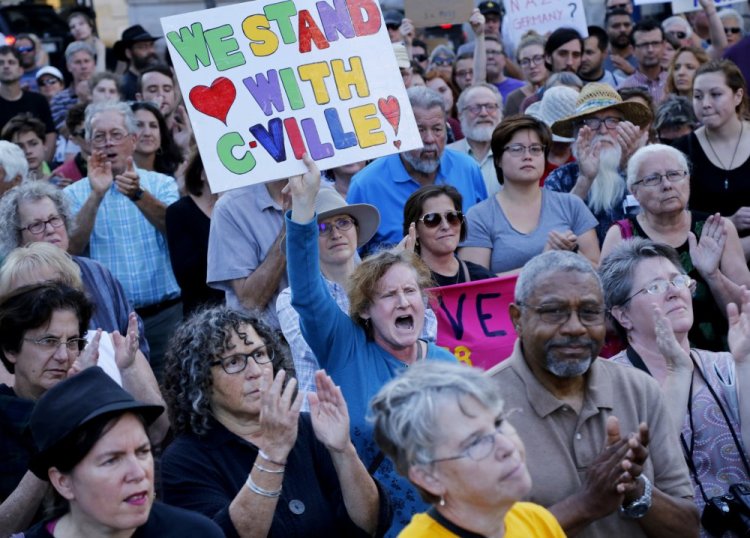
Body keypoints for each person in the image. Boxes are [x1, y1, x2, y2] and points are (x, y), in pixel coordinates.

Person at [287, 153, 456, 534]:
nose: (402, 302)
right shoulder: (345, 345)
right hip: (373, 524)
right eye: (388, 295)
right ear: (364, 310)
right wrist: (302, 210)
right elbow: (307, 292)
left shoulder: (448, 365)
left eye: (410, 291)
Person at [488, 250, 700, 537]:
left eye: (589, 313)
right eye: (554, 312)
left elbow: (687, 528)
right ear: (517, 319)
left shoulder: (639, 389)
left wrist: (636, 489)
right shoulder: (479, 406)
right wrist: (587, 504)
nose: (575, 327)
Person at [161, 306, 391, 537]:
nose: (255, 371)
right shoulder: (184, 460)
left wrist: (343, 450)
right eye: (233, 362)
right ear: (200, 379)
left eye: (259, 354)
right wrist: (272, 455)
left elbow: (370, 525)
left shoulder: (311, 428)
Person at [599, 239, 750, 530]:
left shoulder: (725, 364)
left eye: (678, 280)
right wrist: (678, 373)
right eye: (654, 287)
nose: (674, 292)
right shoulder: (611, 382)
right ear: (623, 315)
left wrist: (744, 365)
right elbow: (641, 475)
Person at [0, 282, 166, 536]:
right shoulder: (6, 415)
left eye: (73, 342)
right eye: (49, 341)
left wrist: (121, 372)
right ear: (11, 349)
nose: (63, 356)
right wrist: (60, 429)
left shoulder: (94, 406)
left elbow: (159, 436)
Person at [370, 360, 566, 537]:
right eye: (475, 442)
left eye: (498, 422)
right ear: (429, 478)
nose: (507, 446)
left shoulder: (538, 521)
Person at [21, 366, 222, 537]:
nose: (138, 473)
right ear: (63, 482)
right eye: (111, 460)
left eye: (143, 452)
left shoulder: (196, 533)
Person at [63, 102, 180, 379]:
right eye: (99, 137)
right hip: (109, 321)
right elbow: (71, 249)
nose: (108, 143)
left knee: (174, 398)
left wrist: (139, 195)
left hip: (165, 315)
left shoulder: (162, 184)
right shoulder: (74, 194)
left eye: (116, 134)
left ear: (133, 139)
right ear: (89, 144)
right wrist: (97, 194)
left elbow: (176, 230)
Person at [600, 143, 750, 351]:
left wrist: (713, 275)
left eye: (674, 174)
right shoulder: (621, 235)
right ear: (634, 191)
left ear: (687, 179)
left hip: (718, 355)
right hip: (650, 357)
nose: (667, 185)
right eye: (653, 179)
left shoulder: (717, 228)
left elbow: (745, 309)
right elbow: (606, 316)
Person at [276, 187, 385, 406]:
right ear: (308, 239)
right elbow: (322, 348)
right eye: (322, 228)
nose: (336, 234)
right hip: (322, 418)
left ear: (356, 228)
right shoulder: (289, 299)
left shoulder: (383, 285)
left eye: (343, 222)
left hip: (381, 410)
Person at [347, 87, 487, 252]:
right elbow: (352, 257)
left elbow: (484, 233)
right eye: (419, 130)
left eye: (437, 129)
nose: (429, 139)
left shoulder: (467, 168)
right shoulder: (366, 185)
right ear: (399, 130)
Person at [459, 115, 599, 275]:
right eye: (517, 149)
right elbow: (476, 286)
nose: (528, 156)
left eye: (535, 149)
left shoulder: (572, 205)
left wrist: (572, 253)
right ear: (498, 159)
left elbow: (598, 273)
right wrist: (543, 262)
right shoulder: (479, 216)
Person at [548, 82, 651, 242]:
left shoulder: (644, 173)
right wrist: (585, 179)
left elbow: (660, 219)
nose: (603, 130)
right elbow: (552, 230)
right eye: (591, 122)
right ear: (578, 131)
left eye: (612, 121)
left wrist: (630, 166)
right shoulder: (560, 178)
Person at [673, 60, 750, 260]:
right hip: (702, 260)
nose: (705, 103)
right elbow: (673, 216)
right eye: (698, 96)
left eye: (715, 94)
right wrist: (728, 222)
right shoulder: (681, 150)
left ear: (738, 96)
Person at [165, 152, 222, 317]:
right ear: (202, 173)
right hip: (203, 313)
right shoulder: (179, 212)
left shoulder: (238, 207)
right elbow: (188, 276)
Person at [402, 185, 494, 286]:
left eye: (452, 217)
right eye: (432, 219)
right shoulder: (404, 282)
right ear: (415, 230)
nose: (445, 226)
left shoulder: (483, 278)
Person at [0, 46, 55, 163]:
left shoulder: (38, 100)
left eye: (11, 62)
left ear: (21, 70)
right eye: (1, 63)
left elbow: (50, 134)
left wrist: (44, 164)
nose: (6, 66)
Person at [448, 83, 503, 196]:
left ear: (500, 112)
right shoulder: (446, 156)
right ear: (460, 115)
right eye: (475, 108)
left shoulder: (514, 154)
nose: (483, 113)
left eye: (490, 107)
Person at [618, 18, 668, 105]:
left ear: (663, 45)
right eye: (644, 45)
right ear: (632, 49)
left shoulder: (675, 83)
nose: (650, 50)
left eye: (655, 43)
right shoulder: (623, 90)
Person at [130, 101, 183, 179]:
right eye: (139, 125)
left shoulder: (175, 174)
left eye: (153, 126)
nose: (147, 133)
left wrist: (185, 149)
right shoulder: (115, 174)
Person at [49, 42, 96, 130]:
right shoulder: (59, 99)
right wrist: (81, 101)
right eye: (78, 62)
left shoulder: (106, 91)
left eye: (87, 61)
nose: (84, 66)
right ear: (69, 67)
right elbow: (63, 131)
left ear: (94, 64)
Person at [504, 33, 549, 117]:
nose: (532, 65)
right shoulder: (513, 99)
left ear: (548, 58)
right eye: (525, 61)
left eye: (538, 58)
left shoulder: (559, 88)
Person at [113, 25, 161, 101]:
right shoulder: (124, 86)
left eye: (151, 45)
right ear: (128, 53)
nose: (151, 51)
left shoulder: (161, 78)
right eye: (143, 47)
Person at [1, 114, 50, 181]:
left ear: (44, 144)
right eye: (19, 147)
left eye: (33, 144)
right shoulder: (3, 186)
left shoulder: (59, 179)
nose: (28, 151)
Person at [66, 7, 108, 73]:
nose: (77, 28)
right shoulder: (69, 54)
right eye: (73, 27)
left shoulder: (106, 51)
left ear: (90, 26)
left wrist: (101, 53)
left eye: (81, 24)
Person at [604, 9, 637, 79]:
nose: (622, 29)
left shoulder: (643, 57)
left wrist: (633, 72)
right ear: (606, 30)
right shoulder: (599, 59)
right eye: (616, 26)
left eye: (627, 25)